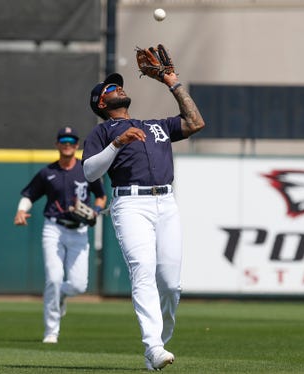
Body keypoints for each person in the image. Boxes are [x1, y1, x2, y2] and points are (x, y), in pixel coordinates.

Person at [81, 72, 205, 370]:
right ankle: (153, 346)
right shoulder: (103, 132)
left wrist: (173, 83)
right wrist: (117, 144)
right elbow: (88, 172)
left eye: (119, 84)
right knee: (143, 270)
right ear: (101, 101)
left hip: (166, 202)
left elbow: (195, 123)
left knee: (171, 284)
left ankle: (158, 343)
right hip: (131, 203)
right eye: (111, 87)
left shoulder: (154, 125)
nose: (118, 87)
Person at [14, 126, 107, 344]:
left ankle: (62, 295)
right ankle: (51, 331)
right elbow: (29, 194)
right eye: (63, 140)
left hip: (79, 230)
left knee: (78, 285)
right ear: (57, 144)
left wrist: (96, 210)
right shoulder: (47, 172)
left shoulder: (86, 170)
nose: (68, 144)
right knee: (53, 279)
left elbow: (101, 196)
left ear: (77, 145)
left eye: (72, 141)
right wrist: (21, 210)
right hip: (54, 229)